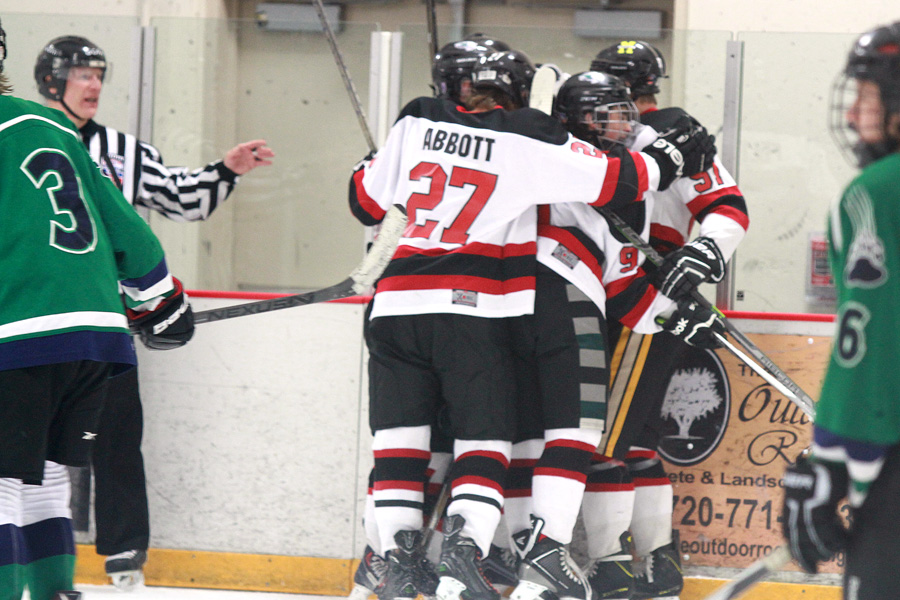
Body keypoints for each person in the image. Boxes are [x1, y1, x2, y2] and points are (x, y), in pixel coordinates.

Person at [348, 45, 714, 600]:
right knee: (534, 431)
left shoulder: (415, 118)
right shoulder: (532, 139)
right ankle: (521, 548)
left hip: (398, 299)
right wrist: (674, 153)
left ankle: (393, 556)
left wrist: (373, 160)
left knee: (412, 440)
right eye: (604, 116)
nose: (618, 125)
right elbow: (622, 190)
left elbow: (364, 201)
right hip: (491, 303)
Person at [32, 35, 274, 590]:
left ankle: (124, 562)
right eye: (82, 74)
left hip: (106, 325)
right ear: (51, 81)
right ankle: (34, 558)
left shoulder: (122, 150)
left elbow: (177, 195)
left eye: (99, 74)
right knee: (30, 447)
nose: (94, 85)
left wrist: (224, 170)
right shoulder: (24, 138)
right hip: (39, 320)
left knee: (116, 441)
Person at [503, 70, 724, 600]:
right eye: (607, 116)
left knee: (527, 435)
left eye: (627, 114)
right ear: (572, 119)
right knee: (575, 435)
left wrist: (674, 316)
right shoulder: (590, 165)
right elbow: (624, 270)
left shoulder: (546, 152)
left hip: (502, 303)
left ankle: (517, 559)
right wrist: (671, 314)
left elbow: (624, 283)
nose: (624, 125)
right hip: (549, 298)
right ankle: (571, 560)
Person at [0, 16, 194, 600]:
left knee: (3, 483)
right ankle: (55, 590)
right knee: (43, 475)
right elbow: (129, 232)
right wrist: (158, 300)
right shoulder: (52, 126)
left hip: (20, 334)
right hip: (96, 341)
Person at [587, 40, 749, 600]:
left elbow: (726, 206)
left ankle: (610, 565)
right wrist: (707, 250)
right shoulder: (629, 134)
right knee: (636, 439)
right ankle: (657, 563)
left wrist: (704, 252)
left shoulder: (674, 133)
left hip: (643, 300)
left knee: (605, 439)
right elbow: (727, 208)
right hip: (625, 297)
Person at [781, 21, 900, 600]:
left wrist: (829, 463)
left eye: (867, 95)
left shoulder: (879, 191)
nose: (853, 113)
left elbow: (870, 346)